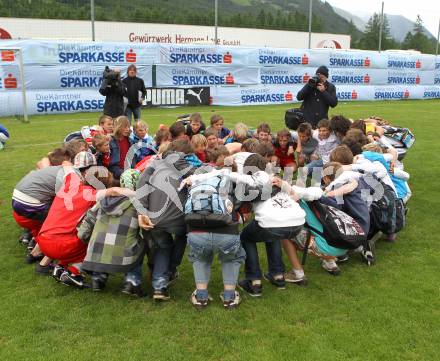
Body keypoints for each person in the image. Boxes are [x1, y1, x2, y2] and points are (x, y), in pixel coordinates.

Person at [36, 152, 127, 288]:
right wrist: (136, 194)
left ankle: (61, 267)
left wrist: (68, 164)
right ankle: (74, 272)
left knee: (75, 234)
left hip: (42, 240)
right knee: (98, 243)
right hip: (59, 245)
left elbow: (66, 165)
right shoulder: (92, 195)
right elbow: (113, 192)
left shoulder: (70, 182)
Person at [136, 140, 197, 301]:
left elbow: (142, 182)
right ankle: (169, 270)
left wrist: (141, 210)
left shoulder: (154, 163)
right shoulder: (189, 167)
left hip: (154, 215)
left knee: (163, 246)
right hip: (178, 217)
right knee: (181, 237)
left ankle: (159, 286)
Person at [78, 169, 145, 296]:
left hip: (97, 249)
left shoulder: (103, 200)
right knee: (141, 244)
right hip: (125, 251)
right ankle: (131, 282)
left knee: (101, 241)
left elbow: (88, 220)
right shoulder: (139, 203)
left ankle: (98, 279)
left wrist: (84, 237)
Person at [109, 116, 131, 180]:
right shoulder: (111, 141)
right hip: (116, 169)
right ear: (118, 127)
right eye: (125, 127)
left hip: (129, 168)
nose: (127, 129)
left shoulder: (130, 141)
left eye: (128, 127)